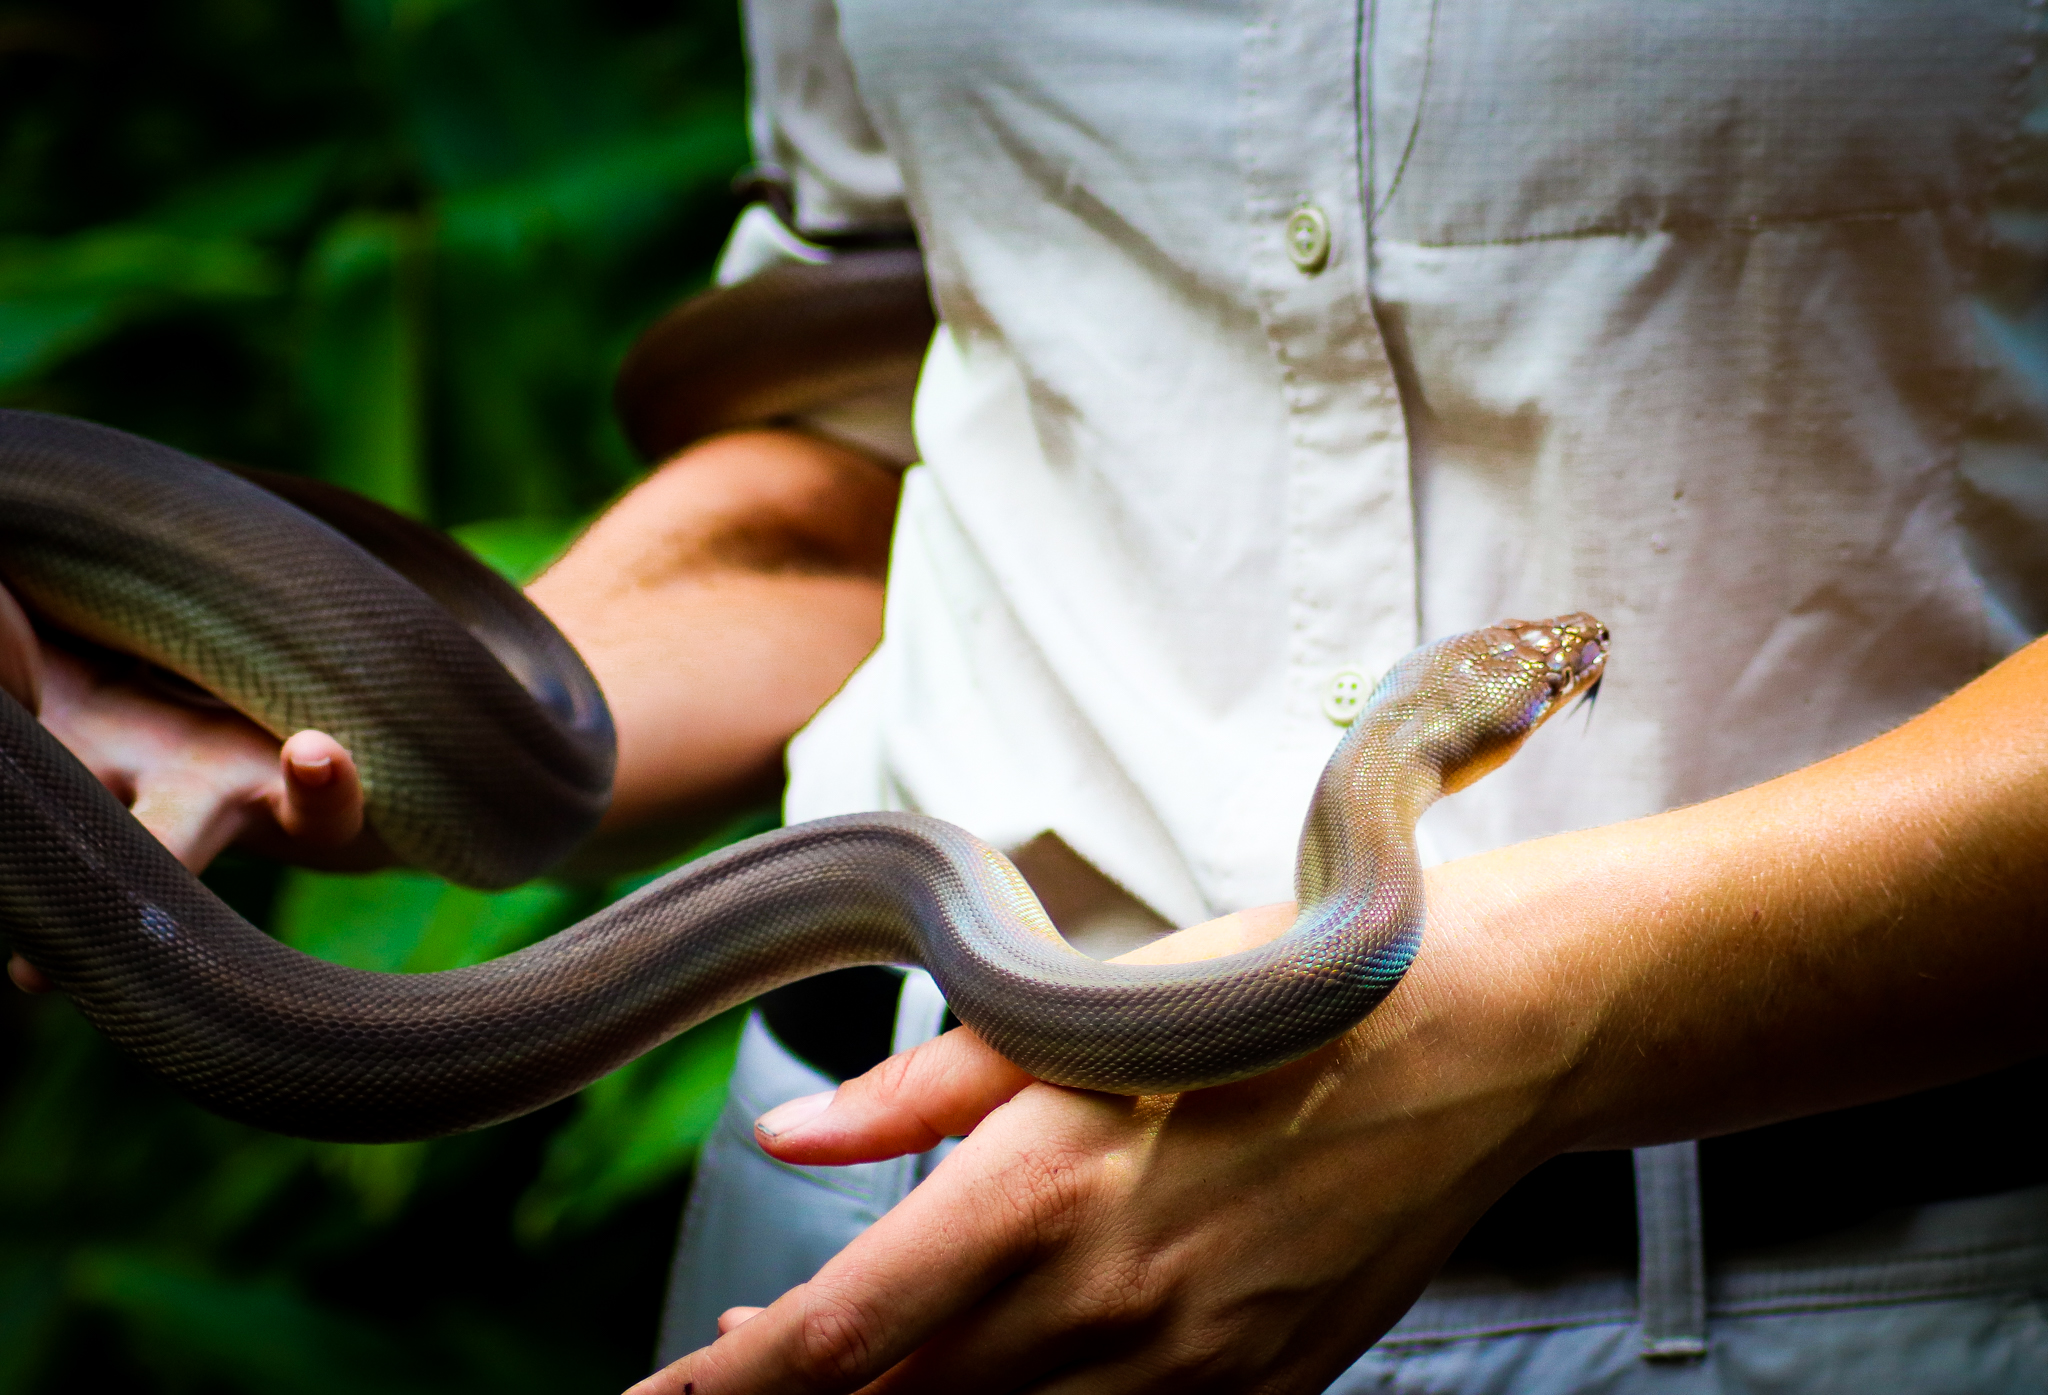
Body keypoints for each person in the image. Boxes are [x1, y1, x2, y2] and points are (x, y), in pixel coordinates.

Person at [12, 2, 2048, 1392]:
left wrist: (1525, 1015)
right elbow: (863, 462)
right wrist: (360, 701)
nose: (1557, 657)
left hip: (1832, 1285)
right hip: (870, 1221)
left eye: (1555, 674)